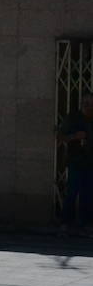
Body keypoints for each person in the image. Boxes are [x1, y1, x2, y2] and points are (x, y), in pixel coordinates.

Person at [58, 93, 93, 237]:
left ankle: (86, 225)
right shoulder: (73, 118)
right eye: (85, 102)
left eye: (90, 103)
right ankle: (66, 224)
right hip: (76, 161)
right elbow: (59, 136)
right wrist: (74, 137)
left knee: (88, 194)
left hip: (91, 162)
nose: (88, 106)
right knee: (72, 192)